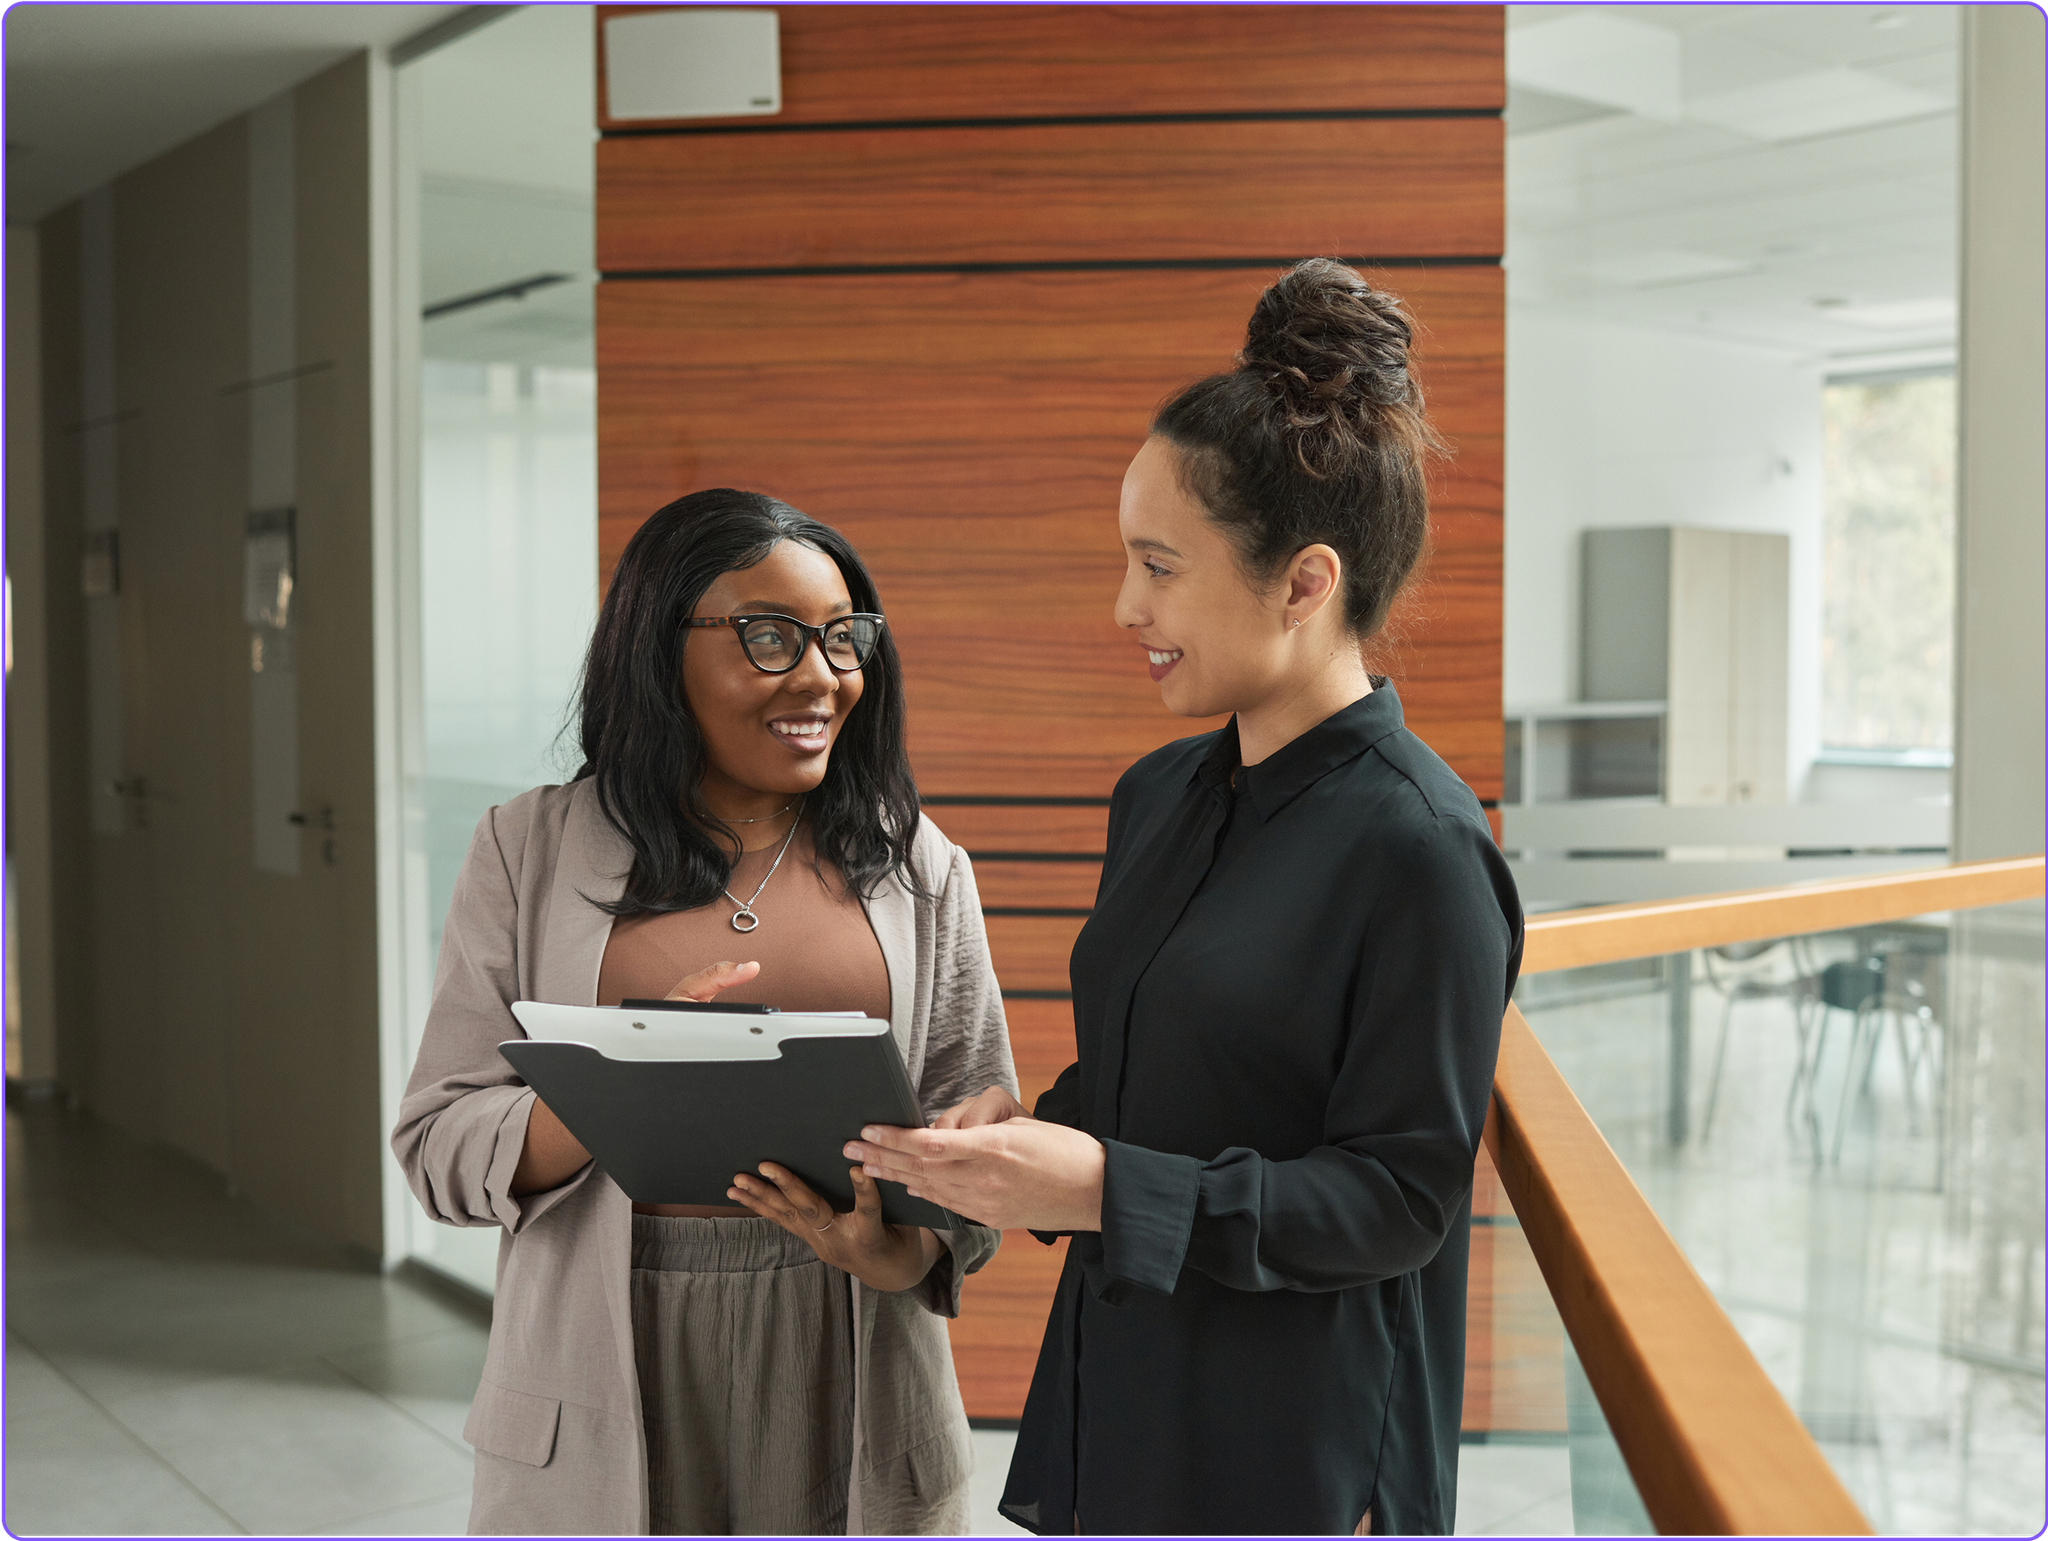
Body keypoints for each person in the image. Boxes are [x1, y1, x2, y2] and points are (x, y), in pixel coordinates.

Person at [848, 260, 1523, 1537]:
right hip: (1130, 1381)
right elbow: (1151, 1079)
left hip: (1301, 1441)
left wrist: (1099, 1183)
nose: (1124, 607)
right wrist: (1015, 1133)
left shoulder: (1421, 849)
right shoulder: (1157, 794)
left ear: (1306, 582)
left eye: (1159, 566)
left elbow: (1397, 1199)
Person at [392, 489, 1017, 1537]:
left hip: (849, 1339)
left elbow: (978, 1123)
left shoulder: (919, 865)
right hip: (610, 1352)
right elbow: (435, 1143)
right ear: (655, 650)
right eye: (768, 638)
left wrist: (904, 1250)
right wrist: (614, 1080)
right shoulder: (526, 850)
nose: (820, 676)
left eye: (840, 637)